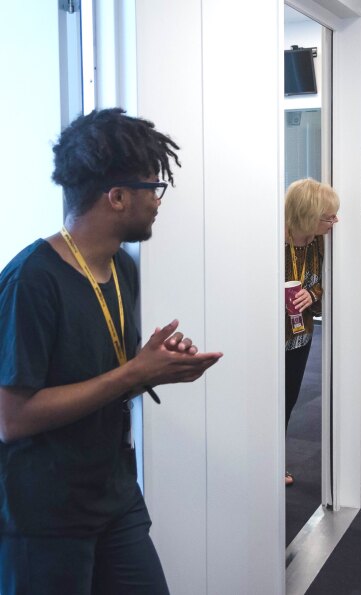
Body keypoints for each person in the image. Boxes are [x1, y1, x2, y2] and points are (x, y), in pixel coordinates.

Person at [0, 108, 223, 594]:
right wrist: (133, 373)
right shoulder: (30, 281)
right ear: (117, 197)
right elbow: (12, 418)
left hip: (116, 496)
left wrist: (153, 369)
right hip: (46, 517)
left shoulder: (121, 267)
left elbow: (106, 378)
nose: (159, 202)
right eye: (153, 188)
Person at [284, 178, 339, 485]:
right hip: (270, 338)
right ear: (307, 215)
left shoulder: (318, 241)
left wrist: (312, 295)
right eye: (327, 216)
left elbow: (321, 281)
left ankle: (277, 460)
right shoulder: (271, 242)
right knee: (268, 403)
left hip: (301, 335)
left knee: (289, 399)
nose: (334, 221)